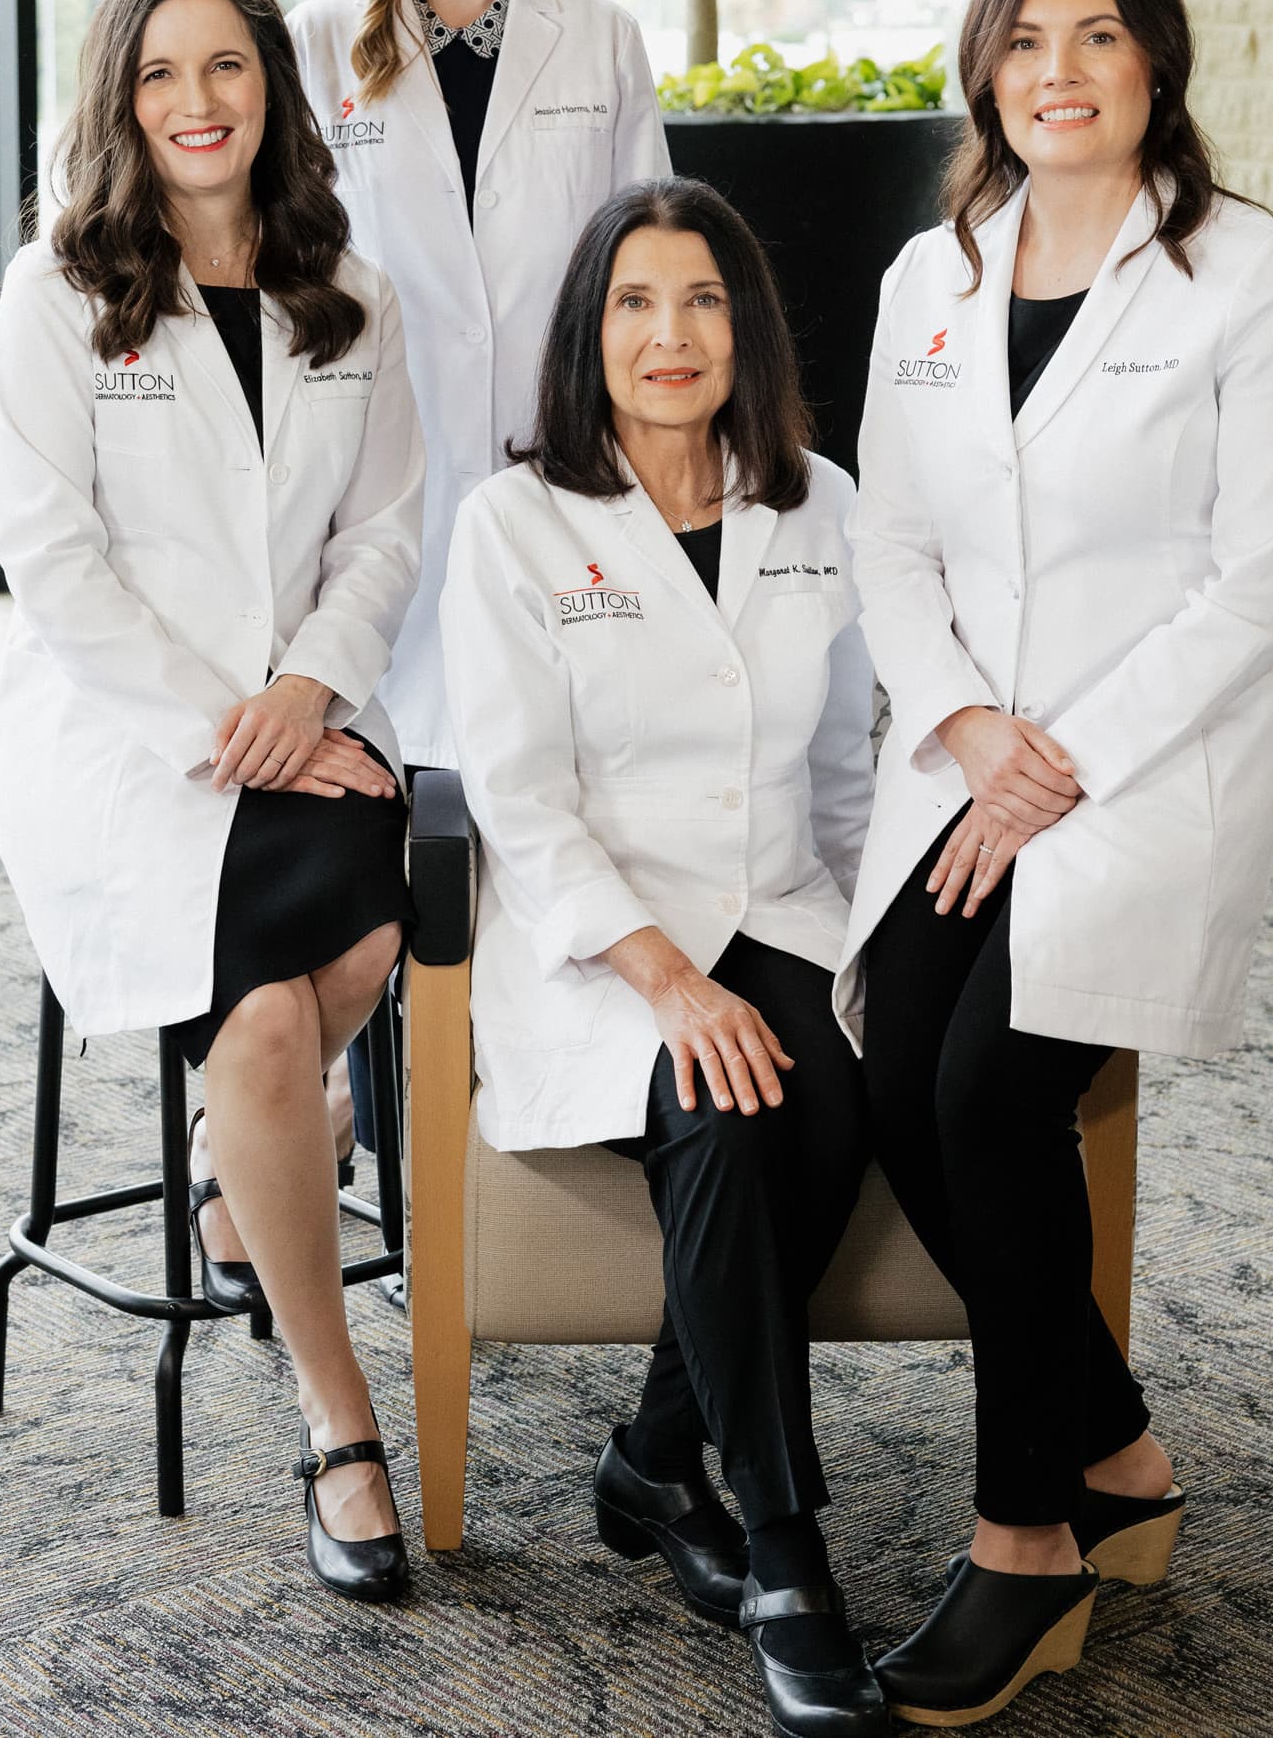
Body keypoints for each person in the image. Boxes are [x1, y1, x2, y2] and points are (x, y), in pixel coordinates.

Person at [836, 0, 1273, 1724]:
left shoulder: (1247, 275)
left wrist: (1066, 757)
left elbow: (1265, 585)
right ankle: (1114, 1435)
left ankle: (1025, 1542)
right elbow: (887, 536)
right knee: (897, 1063)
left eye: (1100, 37)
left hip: (1152, 771)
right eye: (1028, 38)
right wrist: (972, 724)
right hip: (976, 761)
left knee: (988, 1089)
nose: (1061, 70)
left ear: (1155, 68)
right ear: (987, 68)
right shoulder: (930, 275)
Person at [0, 0, 427, 1605]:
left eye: (227, 69)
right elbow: (54, 567)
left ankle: (258, 1161)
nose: (197, 103)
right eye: (162, 74)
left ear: (271, 90)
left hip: (301, 725)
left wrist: (310, 689)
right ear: (122, 97)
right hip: (121, 742)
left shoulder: (349, 294)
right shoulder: (58, 291)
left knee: (391, 902)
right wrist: (229, 721)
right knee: (255, 1008)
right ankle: (339, 1420)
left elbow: (385, 532)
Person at [441, 177, 889, 1738]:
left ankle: (651, 1452)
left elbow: (846, 763)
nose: (670, 332)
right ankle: (785, 1550)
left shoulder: (818, 505)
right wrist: (664, 979)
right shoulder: (515, 525)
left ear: (744, 327)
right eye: (635, 302)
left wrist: (859, 944)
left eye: (701, 300)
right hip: (602, 938)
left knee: (831, 1096)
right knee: (721, 1107)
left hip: (776, 903)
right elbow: (518, 796)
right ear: (591, 336)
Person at [289, 0, 670, 1195]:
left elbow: (642, 270)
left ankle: (493, 1123)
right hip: (369, 492)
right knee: (385, 804)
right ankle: (347, 1100)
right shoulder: (319, 41)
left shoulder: (603, 38)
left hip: (554, 480)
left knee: (529, 788)